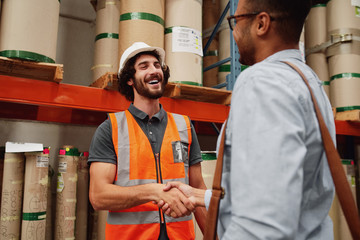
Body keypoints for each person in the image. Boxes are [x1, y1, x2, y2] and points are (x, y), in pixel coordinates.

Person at [159, 0, 336, 239]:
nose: (233, 32)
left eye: (236, 21)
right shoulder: (308, 81)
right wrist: (199, 195)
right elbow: (281, 189)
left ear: (261, 24)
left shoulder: (262, 81)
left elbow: (265, 221)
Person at [88, 42, 207, 240]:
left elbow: (198, 188)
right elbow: (99, 196)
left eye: (157, 65)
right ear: (130, 80)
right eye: (144, 66)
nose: (154, 71)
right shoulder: (111, 129)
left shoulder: (184, 126)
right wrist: (154, 191)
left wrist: (213, 235)